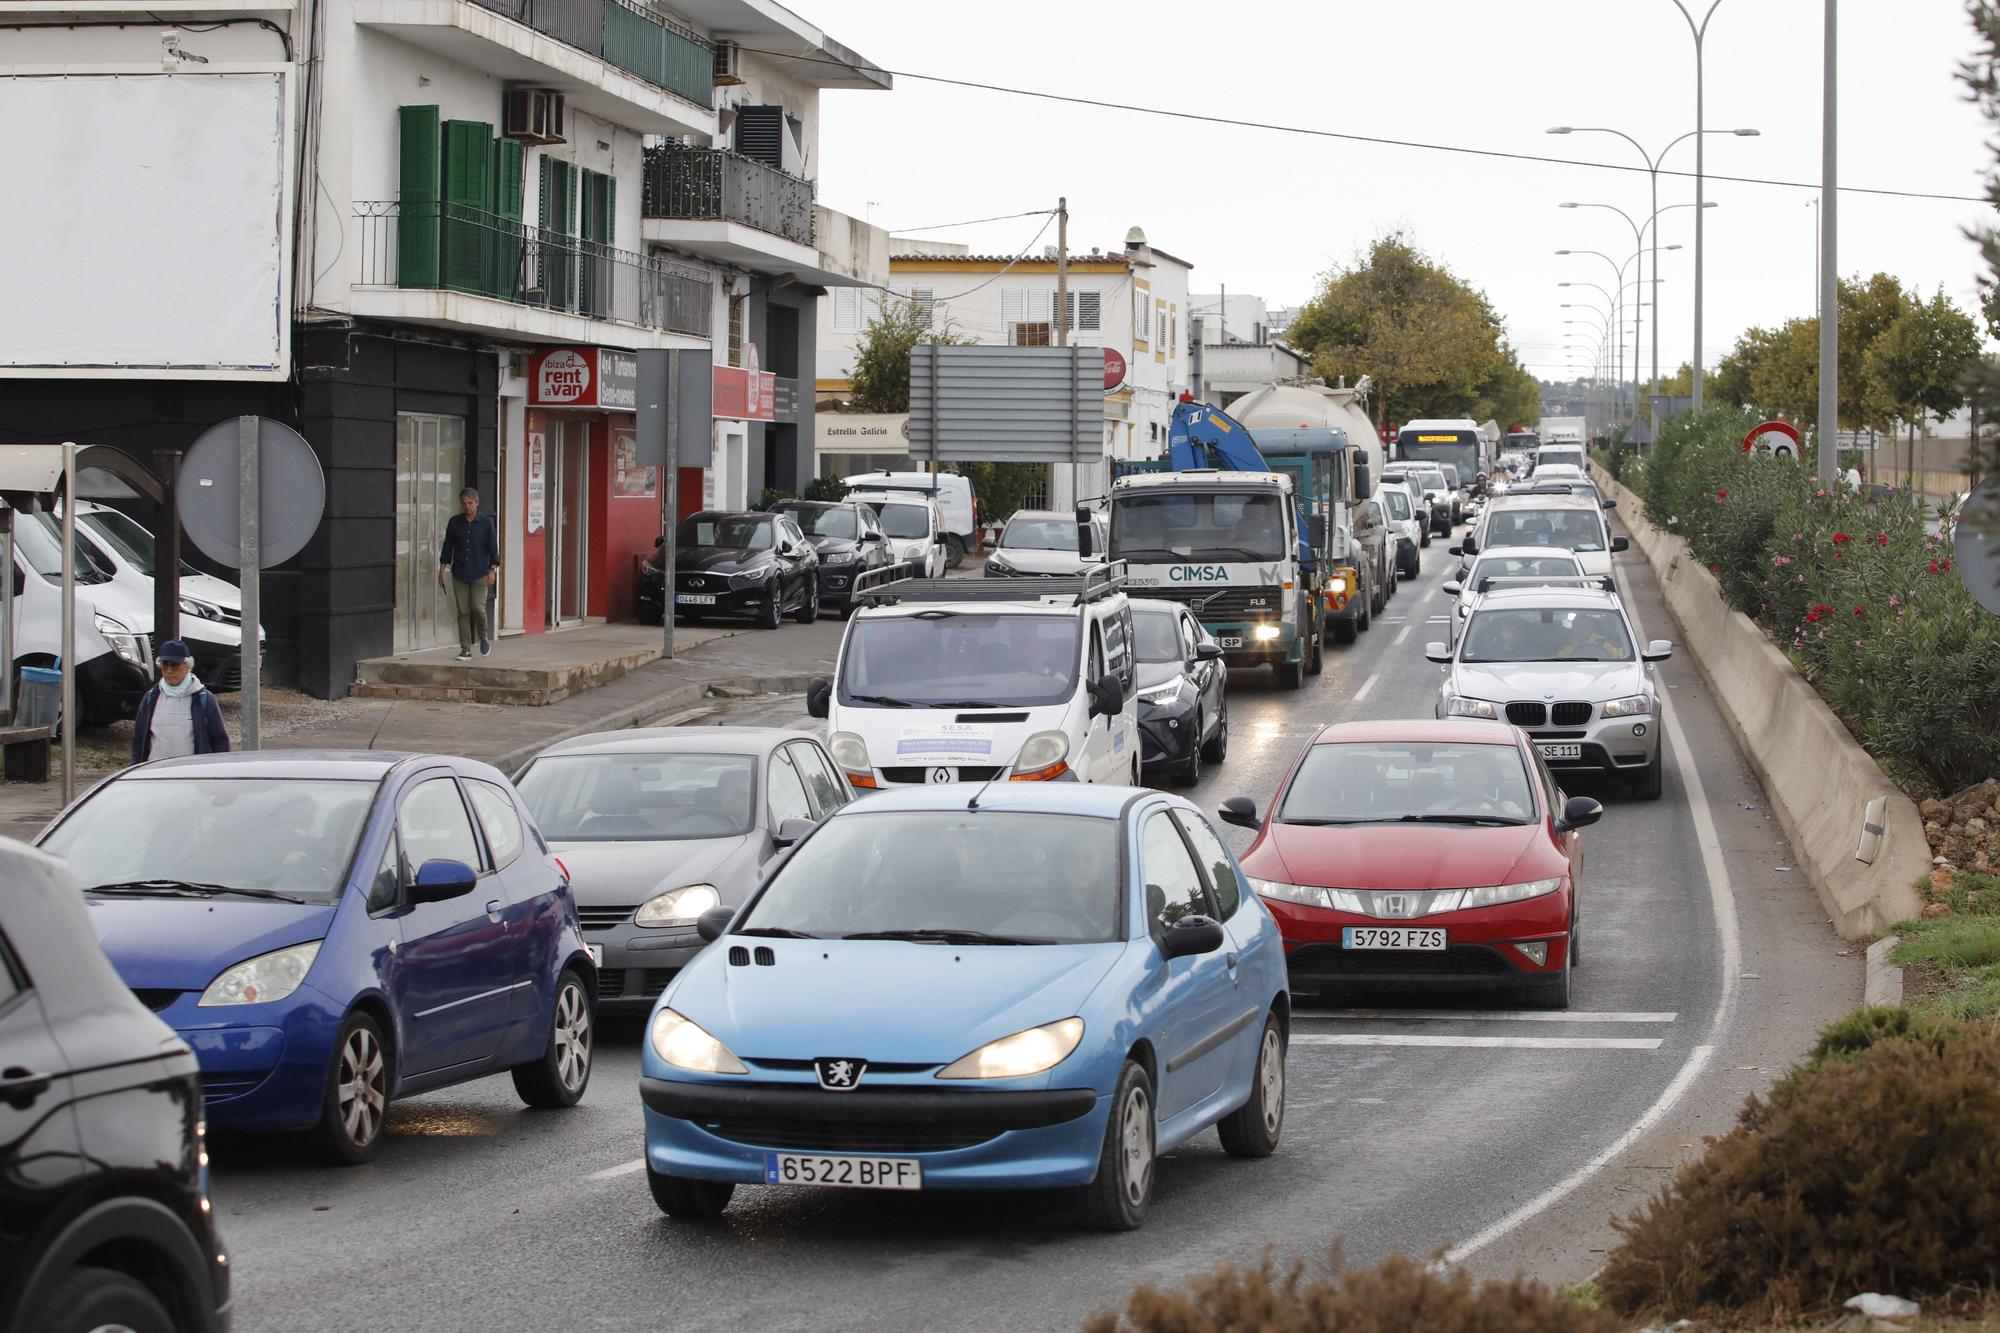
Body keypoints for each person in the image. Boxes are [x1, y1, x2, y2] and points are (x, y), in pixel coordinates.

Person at [130, 640, 230, 765]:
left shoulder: (205, 699)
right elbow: (138, 740)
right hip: (155, 774)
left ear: (187, 666)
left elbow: (219, 741)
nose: (169, 670)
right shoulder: (150, 698)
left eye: (175, 665)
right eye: (165, 665)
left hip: (191, 775)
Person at [438, 486, 500, 661]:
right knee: (463, 610)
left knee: (477, 608)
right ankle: (465, 648)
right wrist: (442, 570)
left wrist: (493, 570)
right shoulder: (454, 522)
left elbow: (493, 550)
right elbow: (447, 547)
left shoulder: (487, 523)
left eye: (470, 503)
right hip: (459, 572)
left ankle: (483, 637)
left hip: (481, 572)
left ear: (477, 503)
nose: (467, 507)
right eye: (464, 504)